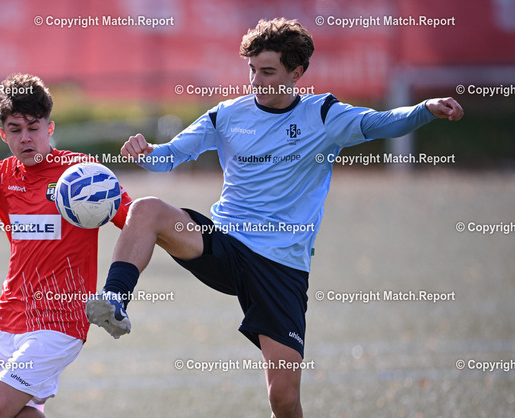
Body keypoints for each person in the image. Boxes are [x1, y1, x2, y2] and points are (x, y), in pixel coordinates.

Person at [86, 18, 464, 418]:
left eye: (267, 71)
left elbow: (380, 123)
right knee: (146, 209)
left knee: (282, 398)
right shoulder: (227, 114)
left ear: (296, 73)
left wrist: (425, 110)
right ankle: (115, 300)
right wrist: (147, 152)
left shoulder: (324, 115)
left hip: (281, 266)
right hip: (225, 246)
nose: (256, 81)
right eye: (251, 70)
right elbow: (170, 157)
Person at [0, 73, 131, 418]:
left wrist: (119, 289)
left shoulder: (83, 172)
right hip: (9, 319)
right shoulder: (0, 176)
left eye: (33, 127)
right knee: (20, 414)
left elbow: (133, 222)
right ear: (3, 135)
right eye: (15, 129)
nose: (26, 137)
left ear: (50, 128)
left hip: (60, 321)